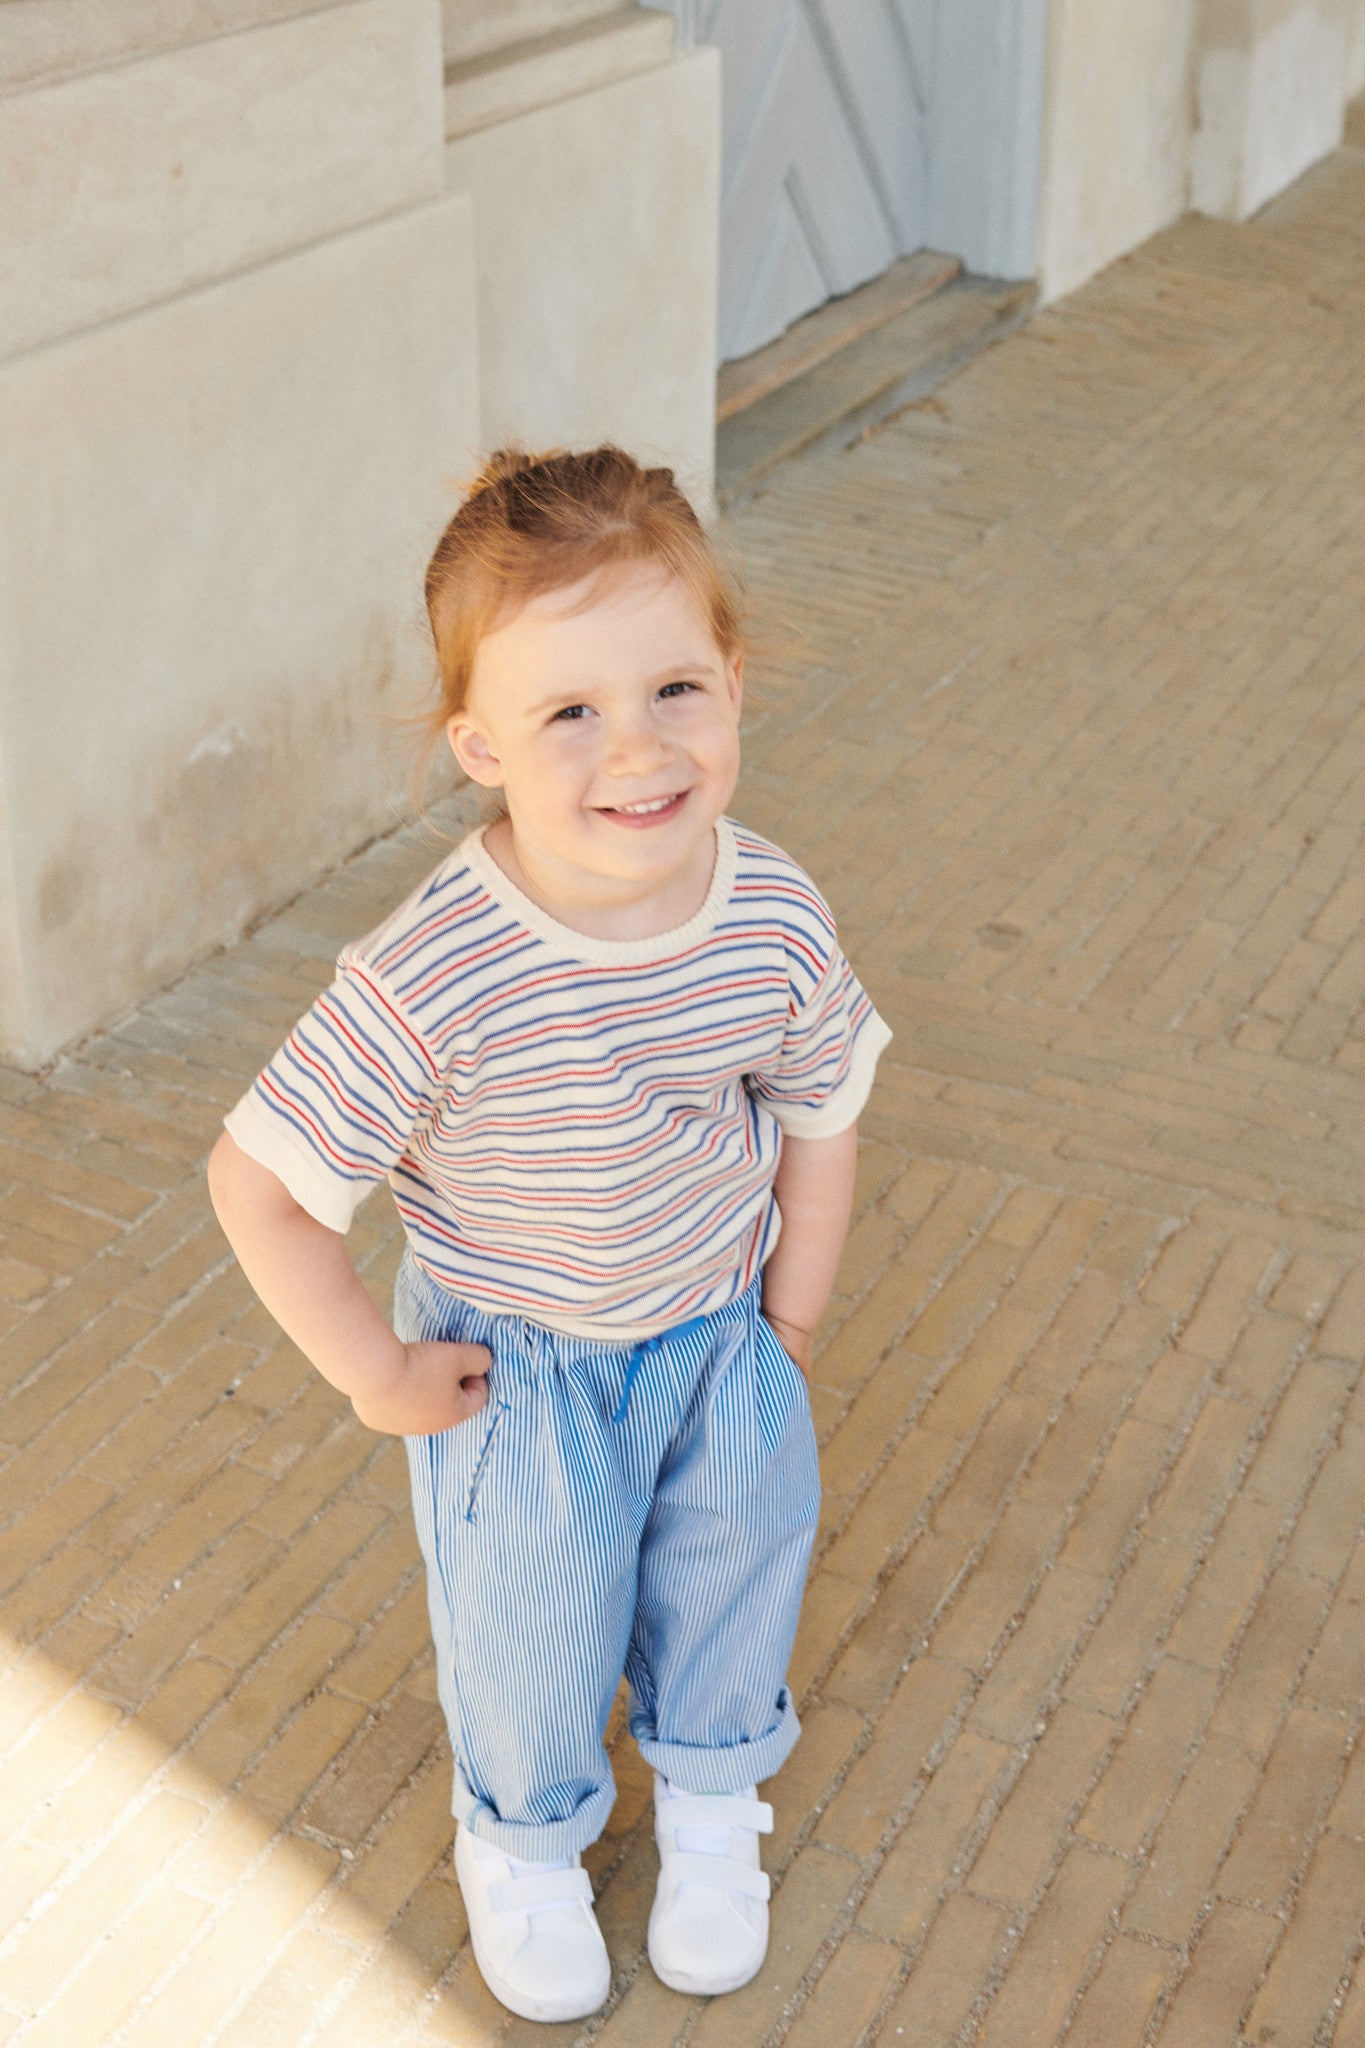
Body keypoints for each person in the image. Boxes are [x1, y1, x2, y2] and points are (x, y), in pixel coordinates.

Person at [207, 445, 890, 2024]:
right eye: (568, 712)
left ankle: (715, 1807)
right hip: (516, 1371)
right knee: (531, 1627)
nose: (635, 751)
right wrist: (374, 1373)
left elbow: (820, 1103)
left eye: (672, 690)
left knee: (734, 1572)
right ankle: (519, 1842)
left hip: (717, 1332)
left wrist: (788, 1319)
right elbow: (258, 1184)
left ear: (732, 682)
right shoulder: (434, 971)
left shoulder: (768, 911)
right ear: (478, 745)